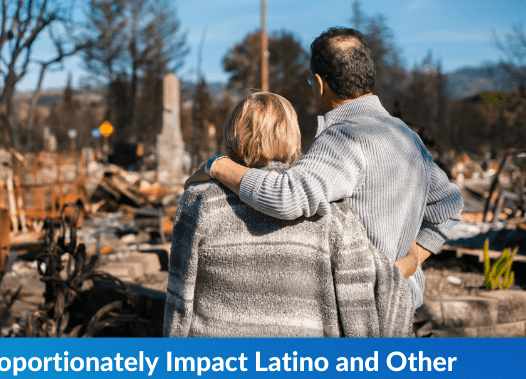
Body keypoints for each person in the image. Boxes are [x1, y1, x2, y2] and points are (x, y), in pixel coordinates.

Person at [185, 27, 464, 309]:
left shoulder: (345, 135)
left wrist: (217, 165)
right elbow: (448, 207)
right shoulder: (406, 136)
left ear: (319, 83)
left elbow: (286, 196)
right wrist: (412, 259)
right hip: (402, 309)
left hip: (361, 314)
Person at [163, 92, 413, 338]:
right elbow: (358, 297)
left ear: (233, 135)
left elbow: (179, 294)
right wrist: (412, 258)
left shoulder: (200, 201)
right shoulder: (330, 211)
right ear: (292, 136)